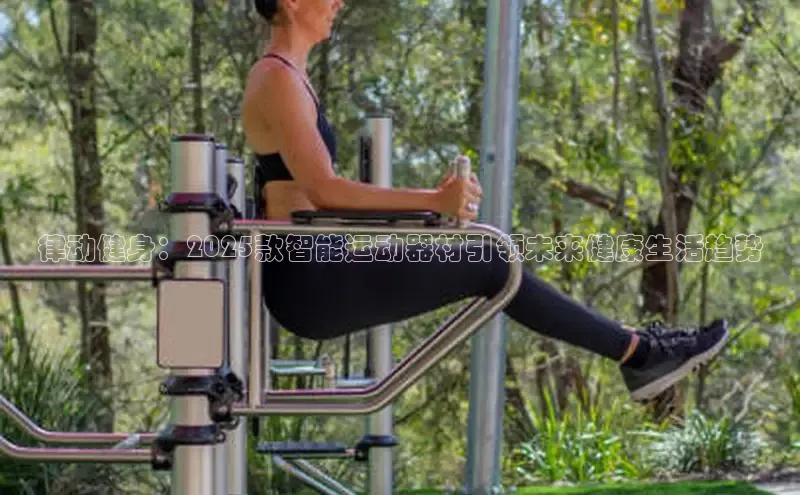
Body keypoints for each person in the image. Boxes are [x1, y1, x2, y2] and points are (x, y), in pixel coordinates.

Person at [241, 0, 729, 402]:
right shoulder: (277, 78)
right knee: (492, 262)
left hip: (324, 267)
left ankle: (637, 348)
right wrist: (434, 199)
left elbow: (312, 194)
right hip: (313, 284)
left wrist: (431, 206)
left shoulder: (290, 76)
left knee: (492, 259)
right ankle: (640, 354)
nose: (338, 2)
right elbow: (324, 190)